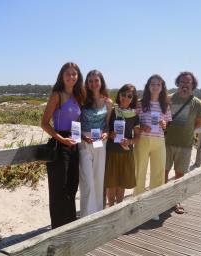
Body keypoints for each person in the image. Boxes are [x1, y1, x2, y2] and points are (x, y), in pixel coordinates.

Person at [41, 62, 85, 228]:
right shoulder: (57, 95)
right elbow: (44, 123)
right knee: (59, 189)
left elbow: (77, 121)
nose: (71, 76)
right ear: (62, 76)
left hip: (74, 142)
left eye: (74, 74)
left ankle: (70, 226)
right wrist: (62, 139)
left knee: (72, 187)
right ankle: (58, 229)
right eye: (68, 73)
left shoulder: (78, 96)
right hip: (60, 144)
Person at [165, 71, 201, 214]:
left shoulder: (197, 103)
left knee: (179, 175)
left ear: (192, 85)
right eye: (182, 82)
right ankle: (163, 201)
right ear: (177, 83)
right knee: (163, 173)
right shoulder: (169, 98)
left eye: (188, 82)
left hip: (185, 145)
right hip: (166, 143)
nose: (184, 85)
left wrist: (187, 130)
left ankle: (175, 201)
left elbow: (199, 123)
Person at [79, 70, 112, 217]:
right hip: (84, 142)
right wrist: (81, 136)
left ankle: (97, 214)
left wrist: (105, 133)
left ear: (101, 81)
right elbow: (76, 123)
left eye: (96, 80)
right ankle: (86, 215)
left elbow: (107, 125)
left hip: (100, 142)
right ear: (87, 83)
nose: (93, 83)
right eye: (90, 81)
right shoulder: (81, 100)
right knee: (87, 180)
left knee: (99, 178)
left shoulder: (108, 102)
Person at [133, 74, 172, 200]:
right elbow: (133, 123)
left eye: (158, 84)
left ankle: (152, 205)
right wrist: (142, 126)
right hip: (142, 140)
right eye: (153, 84)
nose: (155, 86)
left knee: (158, 173)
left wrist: (164, 124)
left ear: (162, 87)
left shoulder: (165, 105)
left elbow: (166, 125)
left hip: (159, 141)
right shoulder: (140, 103)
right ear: (148, 86)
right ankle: (137, 202)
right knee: (140, 172)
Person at [104, 84, 140, 206]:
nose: (126, 97)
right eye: (123, 94)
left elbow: (137, 137)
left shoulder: (135, 115)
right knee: (111, 183)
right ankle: (110, 209)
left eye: (129, 96)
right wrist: (110, 134)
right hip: (112, 152)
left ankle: (118, 209)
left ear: (132, 98)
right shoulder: (112, 111)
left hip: (126, 152)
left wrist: (129, 142)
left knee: (121, 184)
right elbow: (104, 129)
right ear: (119, 95)